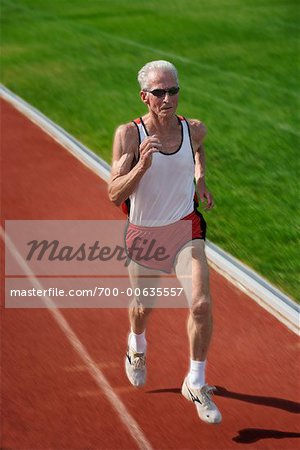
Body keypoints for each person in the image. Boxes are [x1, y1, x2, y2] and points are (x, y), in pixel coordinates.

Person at [108, 60, 222, 424]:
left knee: (202, 304)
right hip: (144, 232)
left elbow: (199, 150)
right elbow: (113, 193)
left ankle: (195, 381)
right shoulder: (130, 135)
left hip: (185, 228)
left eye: (173, 90)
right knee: (143, 307)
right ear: (145, 97)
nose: (168, 98)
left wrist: (200, 179)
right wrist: (141, 166)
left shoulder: (194, 129)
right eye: (160, 92)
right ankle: (136, 346)